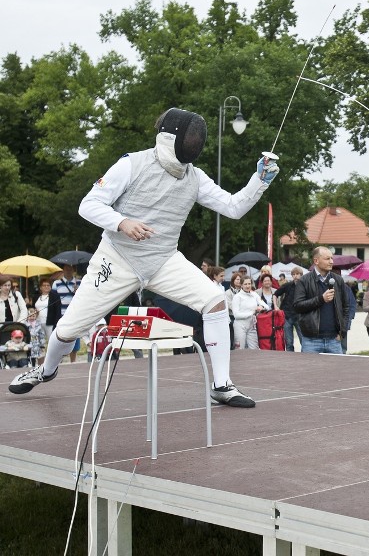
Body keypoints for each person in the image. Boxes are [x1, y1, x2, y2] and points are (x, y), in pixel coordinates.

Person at [9, 107, 279, 407]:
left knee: (214, 300)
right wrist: (121, 222)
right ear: (171, 137)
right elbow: (88, 204)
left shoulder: (195, 177)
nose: (194, 142)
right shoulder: (132, 164)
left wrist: (260, 180)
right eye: (190, 136)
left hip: (164, 260)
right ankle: (45, 371)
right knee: (68, 330)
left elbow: (233, 207)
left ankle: (221, 385)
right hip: (117, 258)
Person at [293, 246, 350, 354]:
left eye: (332, 258)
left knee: (336, 370)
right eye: (327, 259)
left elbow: (346, 307)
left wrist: (343, 331)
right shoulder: (304, 281)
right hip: (311, 340)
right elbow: (297, 306)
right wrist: (321, 299)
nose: (331, 262)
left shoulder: (338, 280)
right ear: (316, 261)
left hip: (334, 340)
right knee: (311, 371)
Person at [52, 265, 82, 362]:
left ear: (74, 270)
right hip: (61, 315)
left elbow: (84, 299)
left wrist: (78, 292)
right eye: (66, 268)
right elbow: (53, 301)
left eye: (71, 269)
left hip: (74, 315)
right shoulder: (56, 283)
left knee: (74, 338)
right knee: (60, 338)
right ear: (63, 270)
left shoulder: (80, 283)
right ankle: (58, 360)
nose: (68, 271)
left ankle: (73, 362)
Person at [231, 277, 267, 350]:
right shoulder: (237, 297)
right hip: (240, 326)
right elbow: (236, 315)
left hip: (251, 325)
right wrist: (252, 312)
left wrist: (261, 307)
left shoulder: (254, 294)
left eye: (249, 284)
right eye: (245, 284)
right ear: (241, 285)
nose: (247, 286)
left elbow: (266, 306)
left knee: (255, 349)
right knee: (240, 349)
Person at [274, 267, 303, 352]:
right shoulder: (288, 285)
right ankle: (290, 360)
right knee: (289, 343)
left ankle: (305, 360)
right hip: (287, 316)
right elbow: (275, 294)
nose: (295, 276)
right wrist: (276, 306)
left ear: (301, 275)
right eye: (293, 274)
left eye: (297, 274)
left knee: (303, 341)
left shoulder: (305, 285)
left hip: (300, 317)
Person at [34, 278, 62, 342]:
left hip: (50, 323)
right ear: (40, 287)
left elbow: (58, 312)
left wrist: (56, 324)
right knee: (40, 341)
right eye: (44, 285)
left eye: (48, 285)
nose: (46, 287)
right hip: (38, 323)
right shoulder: (36, 297)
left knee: (51, 341)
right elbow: (32, 309)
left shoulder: (55, 296)